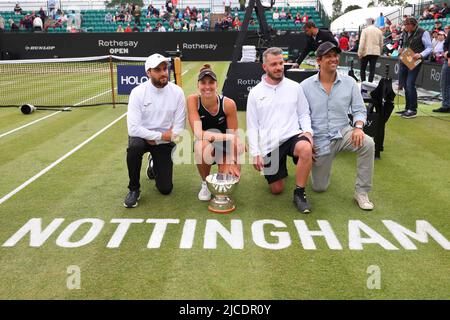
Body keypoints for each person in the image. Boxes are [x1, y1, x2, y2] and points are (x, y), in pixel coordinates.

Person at [300, 41, 375, 211]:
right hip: (319, 139)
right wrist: (307, 141)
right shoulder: (305, 86)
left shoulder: (349, 83)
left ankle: (361, 192)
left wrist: (358, 127)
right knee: (319, 187)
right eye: (328, 56)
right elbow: (300, 117)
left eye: (335, 55)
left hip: (344, 133)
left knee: (368, 144)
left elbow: (359, 110)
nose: (333, 59)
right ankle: (321, 168)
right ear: (318, 60)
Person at [246, 47, 314, 213]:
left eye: (281, 63)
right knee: (277, 189)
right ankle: (282, 167)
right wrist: (255, 153)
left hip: (292, 137)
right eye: (273, 64)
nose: (278, 67)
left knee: (305, 148)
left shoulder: (295, 87)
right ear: (265, 67)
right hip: (270, 145)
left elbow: (304, 113)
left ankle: (299, 193)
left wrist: (308, 133)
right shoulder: (255, 93)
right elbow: (252, 126)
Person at [124, 53, 186, 208]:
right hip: (142, 138)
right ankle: (134, 189)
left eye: (165, 68)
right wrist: (158, 135)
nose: (164, 73)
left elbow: (179, 128)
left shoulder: (177, 92)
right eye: (158, 70)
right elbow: (133, 128)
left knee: (165, 189)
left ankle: (153, 163)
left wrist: (158, 139)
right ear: (148, 73)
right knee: (134, 147)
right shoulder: (137, 93)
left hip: (164, 141)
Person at [187, 64, 242, 201]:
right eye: (203, 83)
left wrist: (233, 162)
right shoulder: (193, 100)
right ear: (198, 85)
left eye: (211, 82)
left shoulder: (228, 104)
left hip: (225, 148)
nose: (207, 86)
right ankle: (205, 183)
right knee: (201, 145)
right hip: (207, 145)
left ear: (216, 84)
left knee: (223, 190)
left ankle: (223, 174)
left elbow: (234, 140)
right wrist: (229, 136)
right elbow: (199, 134)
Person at [397, 17, 432, 118]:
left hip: (415, 61)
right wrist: (400, 49)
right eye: (405, 26)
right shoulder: (404, 32)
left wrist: (421, 55)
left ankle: (413, 109)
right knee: (404, 84)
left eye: (408, 26)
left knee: (410, 84)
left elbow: (429, 47)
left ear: (413, 25)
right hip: (404, 59)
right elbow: (402, 44)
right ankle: (407, 108)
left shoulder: (423, 32)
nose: (406, 28)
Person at [358, 18, 383, 82]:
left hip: (366, 52)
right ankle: (370, 84)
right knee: (372, 69)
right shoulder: (379, 31)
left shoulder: (365, 30)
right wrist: (380, 52)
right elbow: (381, 44)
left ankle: (364, 83)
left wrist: (360, 53)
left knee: (363, 68)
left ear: (368, 22)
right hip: (375, 52)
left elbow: (362, 43)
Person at [433, 28, 450, 113]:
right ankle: (446, 105)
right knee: (445, 83)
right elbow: (446, 44)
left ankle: (446, 105)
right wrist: (447, 53)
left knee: (445, 83)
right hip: (447, 60)